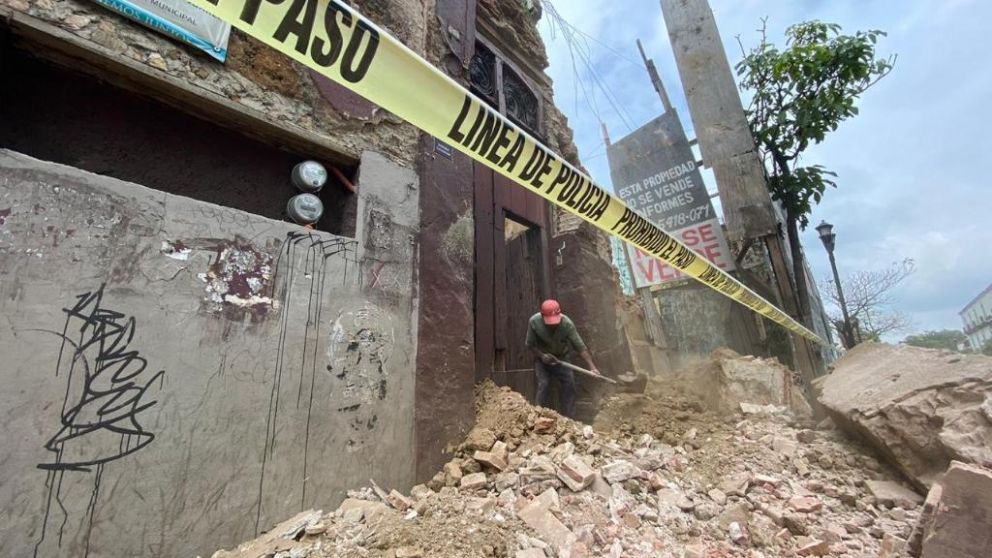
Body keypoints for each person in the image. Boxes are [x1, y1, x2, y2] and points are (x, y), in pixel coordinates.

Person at [525, 299, 600, 418]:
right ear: (542, 315)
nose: (553, 324)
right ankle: (537, 417)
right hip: (543, 359)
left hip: (561, 358)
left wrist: (592, 367)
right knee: (543, 384)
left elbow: (580, 346)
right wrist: (542, 356)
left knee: (569, 385)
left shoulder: (567, 324)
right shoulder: (534, 322)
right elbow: (530, 345)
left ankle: (569, 419)